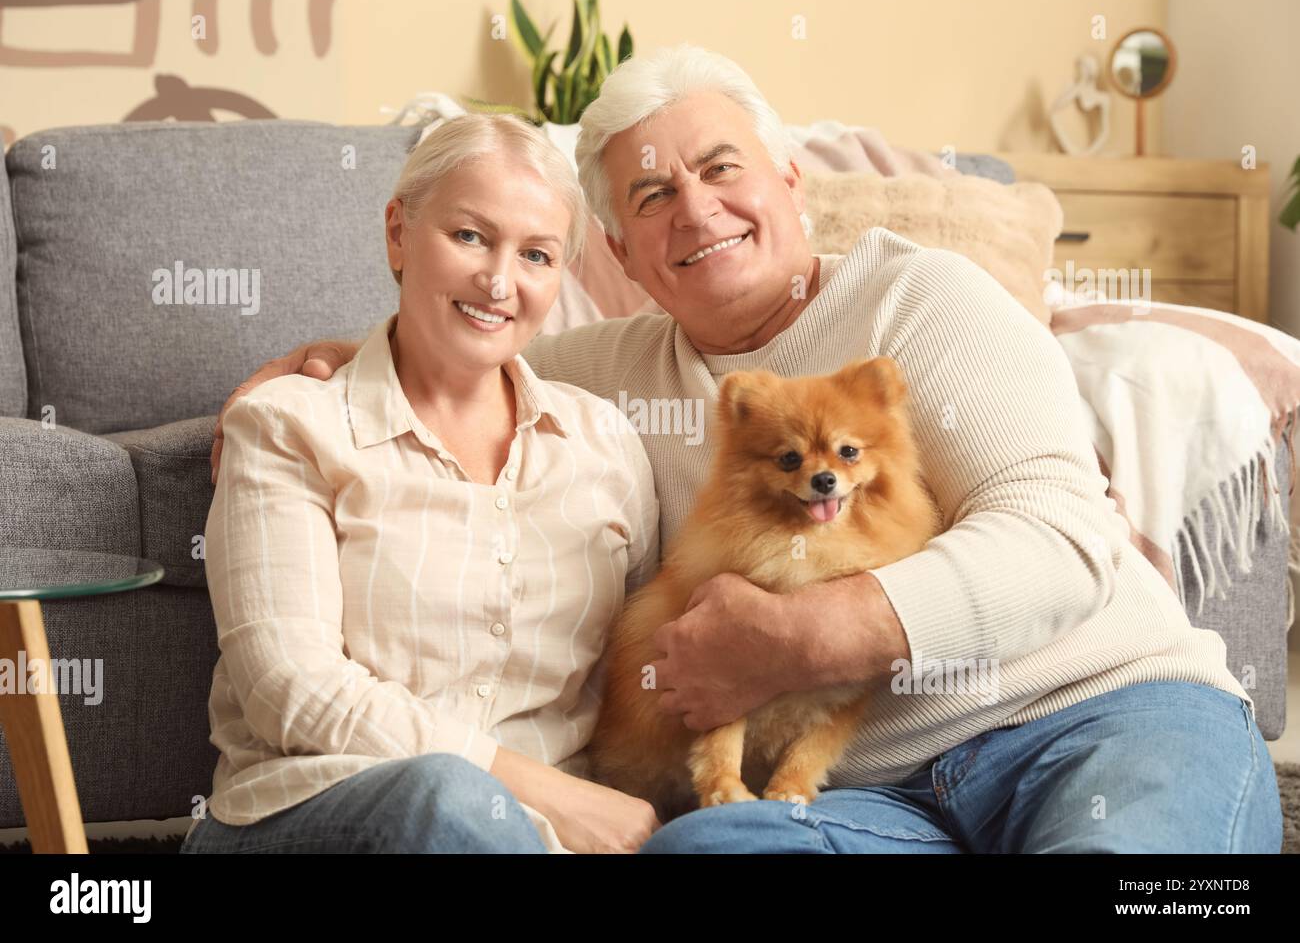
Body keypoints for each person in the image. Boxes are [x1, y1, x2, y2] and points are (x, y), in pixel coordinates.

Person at [210, 44, 1283, 853]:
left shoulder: (922, 300)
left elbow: (1059, 533)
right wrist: (328, 358)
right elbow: (472, 332)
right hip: (852, 788)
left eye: (722, 169)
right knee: (701, 850)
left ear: (788, 181)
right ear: (623, 252)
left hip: (1095, 711)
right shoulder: (612, 373)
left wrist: (803, 636)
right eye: (651, 195)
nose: (697, 209)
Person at [182, 112, 660, 854]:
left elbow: (642, 668)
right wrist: (545, 793)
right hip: (315, 813)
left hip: (559, 841)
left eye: (536, 254)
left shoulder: (604, 442)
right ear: (399, 233)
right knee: (446, 799)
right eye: (469, 236)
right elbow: (292, 692)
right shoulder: (290, 426)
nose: (499, 281)